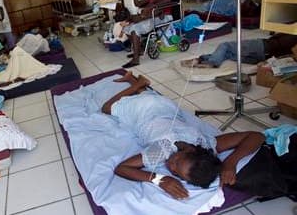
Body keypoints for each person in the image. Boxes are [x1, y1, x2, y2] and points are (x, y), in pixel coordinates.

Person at [103, 72, 265, 199]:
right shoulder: (163, 149)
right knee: (106, 108)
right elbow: (122, 168)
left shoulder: (205, 146)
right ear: (190, 151)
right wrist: (158, 179)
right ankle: (138, 84)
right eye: (177, 160)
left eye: (174, 171)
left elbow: (255, 136)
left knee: (147, 98)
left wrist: (228, 163)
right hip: (146, 110)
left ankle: (137, 81)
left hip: (165, 106)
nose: (170, 164)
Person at [122, 0, 171, 68]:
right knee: (126, 28)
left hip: (163, 17)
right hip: (152, 17)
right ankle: (139, 50)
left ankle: (136, 59)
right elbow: (137, 3)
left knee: (134, 29)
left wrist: (151, 7)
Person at [181, 33, 297, 68]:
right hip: (263, 57)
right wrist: (270, 61)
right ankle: (200, 60)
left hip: (261, 46)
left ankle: (212, 62)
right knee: (228, 53)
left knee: (225, 45)